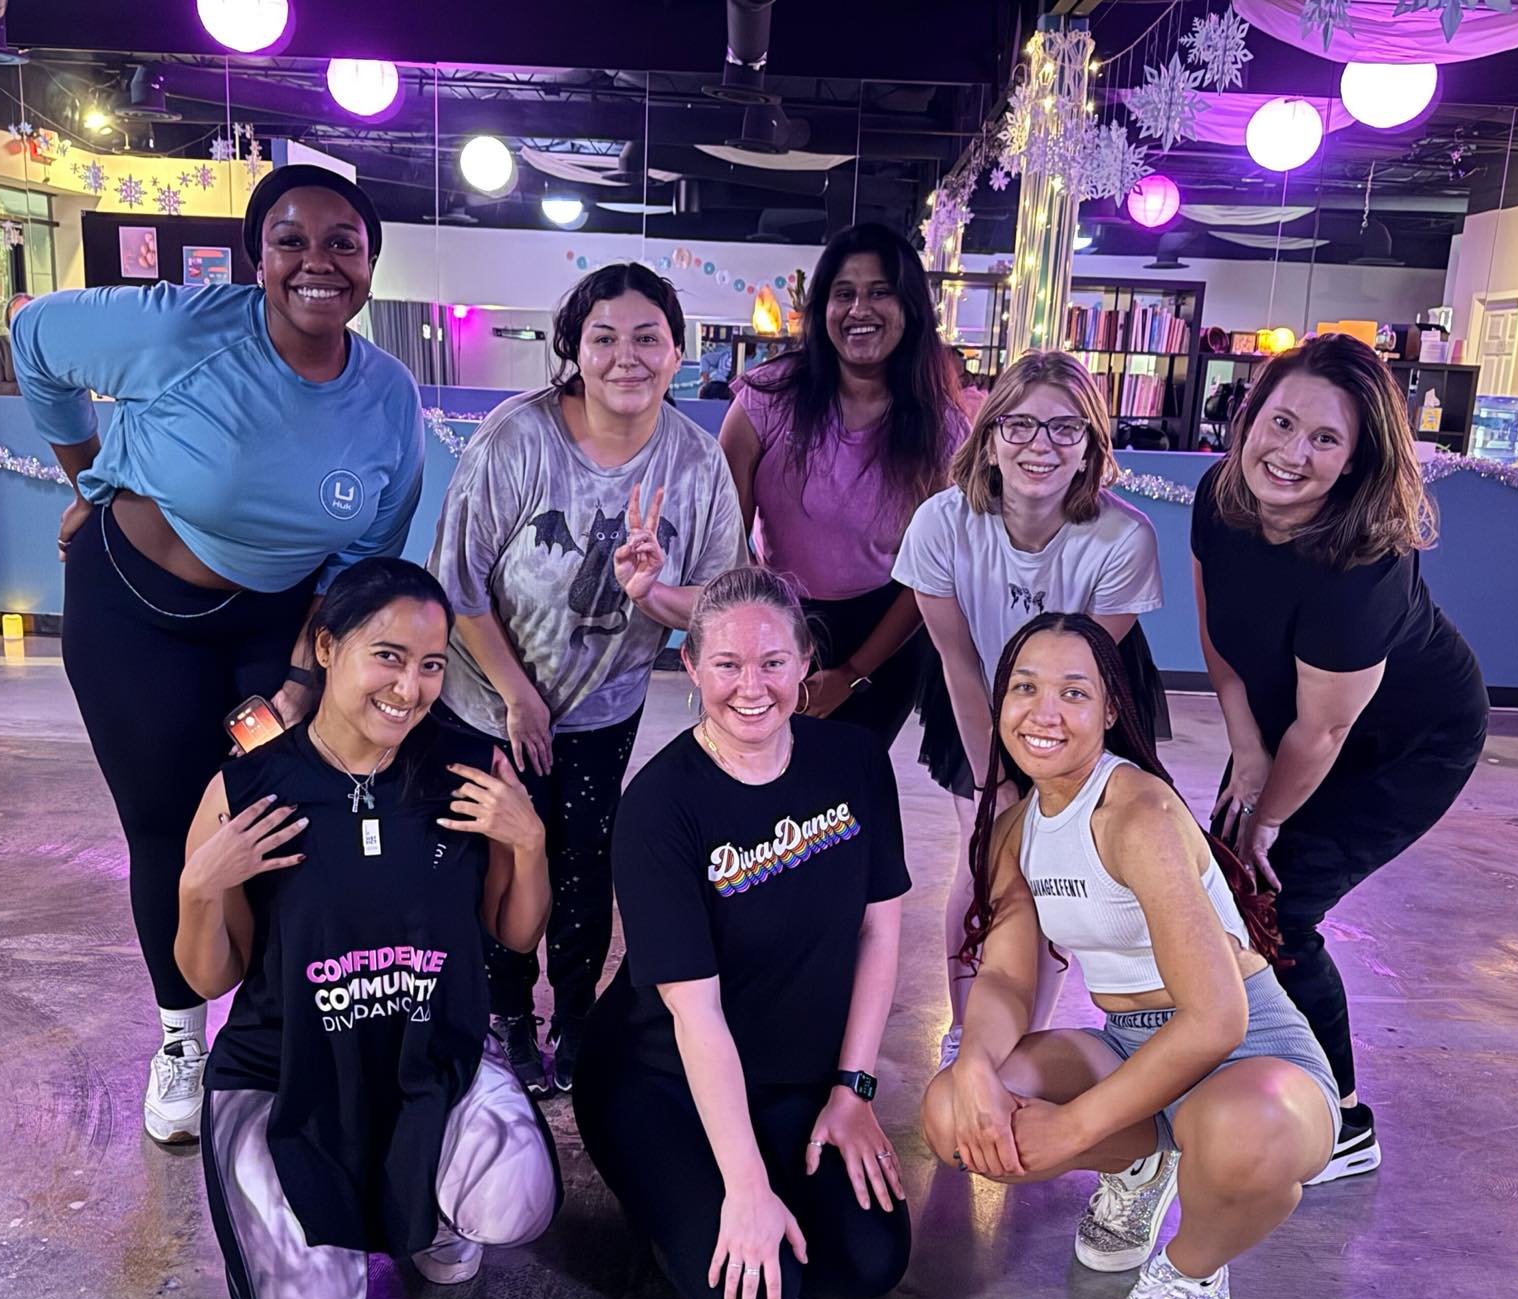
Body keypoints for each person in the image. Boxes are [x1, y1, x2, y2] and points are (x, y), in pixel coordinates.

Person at [13, 164, 425, 1147]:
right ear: (257, 256)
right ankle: (179, 1039)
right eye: (291, 241)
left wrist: (296, 675)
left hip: (268, 632)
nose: (316, 263)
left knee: (283, 805)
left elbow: (366, 555)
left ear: (369, 264)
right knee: (164, 822)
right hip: (133, 619)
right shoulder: (182, 328)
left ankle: (277, 1026)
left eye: (342, 244)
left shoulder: (387, 398)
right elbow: (34, 343)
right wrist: (88, 480)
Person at [920, 612, 1341, 1299]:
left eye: (1073, 692)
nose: (1044, 712)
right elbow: (1010, 980)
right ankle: (1143, 1169)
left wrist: (1076, 1123)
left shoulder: (1136, 813)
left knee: (1243, 1134)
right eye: (1025, 688)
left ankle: (1190, 1277)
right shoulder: (1015, 829)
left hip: (1250, 1047)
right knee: (953, 1114)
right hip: (1133, 1041)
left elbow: (1217, 1020)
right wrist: (976, 1063)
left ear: (1112, 708)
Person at [175, 559, 558, 1299]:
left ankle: (435, 1205)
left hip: (430, 1059)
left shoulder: (467, 770)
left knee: (518, 1195)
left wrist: (529, 845)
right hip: (288, 1076)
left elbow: (515, 935)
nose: (410, 687)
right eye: (387, 655)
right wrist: (198, 889)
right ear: (325, 647)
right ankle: (329, 1223)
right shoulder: (250, 788)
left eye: (430, 665)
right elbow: (212, 979)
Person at [427, 262, 747, 1097]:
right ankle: (504, 1014)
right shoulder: (516, 439)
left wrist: (651, 592)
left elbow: (720, 600)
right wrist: (516, 695)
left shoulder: (695, 461)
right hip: (485, 702)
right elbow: (456, 585)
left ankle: (574, 1014)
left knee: (582, 866)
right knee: (499, 861)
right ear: (575, 348)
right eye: (604, 338)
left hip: (604, 708)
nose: (626, 357)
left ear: (679, 351)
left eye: (648, 338)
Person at [574, 568, 912, 1299]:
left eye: (772, 663)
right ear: (691, 667)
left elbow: (879, 929)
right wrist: (745, 1185)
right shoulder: (661, 807)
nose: (750, 686)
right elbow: (694, 1016)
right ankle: (663, 1195)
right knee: (752, 1297)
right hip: (661, 1076)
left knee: (867, 1264)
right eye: (726, 664)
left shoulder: (854, 763)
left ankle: (751, 1173)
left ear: (804, 664)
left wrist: (852, 1091)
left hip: (793, 1076)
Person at [1190, 333, 1487, 1184]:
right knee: (1219, 889)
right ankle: (1256, 1056)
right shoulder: (1224, 494)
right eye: (1280, 423)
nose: (1290, 454)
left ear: (1357, 462)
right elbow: (1220, 636)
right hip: (1286, 722)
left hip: (1406, 744)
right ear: (1249, 417)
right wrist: (1244, 749)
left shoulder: (1363, 567)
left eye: (1325, 440)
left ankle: (1341, 1118)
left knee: (1278, 906)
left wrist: (1267, 819)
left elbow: (1324, 734)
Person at [892, 349, 1166, 1064]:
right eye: (1018, 426)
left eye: (1065, 430)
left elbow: (1078, 679)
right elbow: (957, 659)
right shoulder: (939, 525)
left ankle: (1022, 1041)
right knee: (985, 859)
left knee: (1050, 870)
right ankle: (965, 1030)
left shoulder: (1124, 537)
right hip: (979, 691)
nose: (1040, 446)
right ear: (987, 438)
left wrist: (1039, 784)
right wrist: (994, 784)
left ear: (1090, 450)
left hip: (1083, 697)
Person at [719, 223, 965, 748]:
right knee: (767, 775)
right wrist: (761, 632)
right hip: (778, 619)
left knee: (851, 786)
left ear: (909, 309)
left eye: (880, 292)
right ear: (821, 309)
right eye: (844, 294)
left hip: (887, 633)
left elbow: (929, 575)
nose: (860, 309)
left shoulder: (942, 428)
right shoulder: (766, 398)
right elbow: (725, 541)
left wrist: (854, 671)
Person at [0, 293, 33, 394]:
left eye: (26, 313)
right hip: (10, 406)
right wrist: (31, 389)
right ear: (9, 318)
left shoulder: (43, 345)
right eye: (17, 314)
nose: (22, 319)